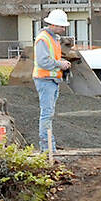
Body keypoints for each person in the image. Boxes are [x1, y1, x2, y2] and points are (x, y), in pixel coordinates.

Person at [33, 9, 71, 152]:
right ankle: (47, 149)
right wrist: (60, 64)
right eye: (61, 26)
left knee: (49, 114)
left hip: (52, 80)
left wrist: (61, 62)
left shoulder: (53, 38)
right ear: (53, 24)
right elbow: (43, 61)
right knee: (46, 114)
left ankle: (49, 147)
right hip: (45, 79)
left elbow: (52, 58)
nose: (63, 28)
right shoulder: (43, 38)